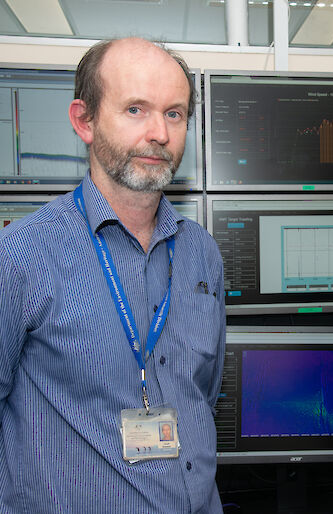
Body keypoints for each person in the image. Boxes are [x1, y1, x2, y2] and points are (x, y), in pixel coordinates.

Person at [0, 38, 226, 513]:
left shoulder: (202, 254)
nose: (159, 134)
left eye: (174, 114)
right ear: (84, 120)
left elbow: (202, 396)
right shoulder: (21, 254)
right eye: (135, 110)